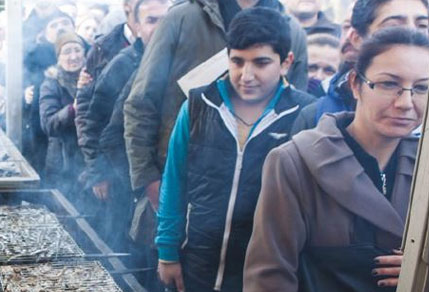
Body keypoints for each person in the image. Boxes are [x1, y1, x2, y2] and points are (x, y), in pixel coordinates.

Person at [239, 28, 429, 292]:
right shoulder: (294, 161)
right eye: (389, 85)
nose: (405, 103)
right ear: (355, 84)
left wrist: (428, 269)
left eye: (421, 88)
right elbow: (270, 273)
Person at [156, 6, 314, 292]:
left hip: (259, 279)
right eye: (237, 61)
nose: (246, 75)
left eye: (261, 62)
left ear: (286, 63)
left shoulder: (305, 116)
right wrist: (167, 252)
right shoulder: (199, 105)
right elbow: (174, 183)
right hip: (193, 267)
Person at [123, 0, 308, 256]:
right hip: (181, 186)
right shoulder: (182, 18)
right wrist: (149, 180)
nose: (247, 74)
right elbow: (141, 103)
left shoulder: (291, 29)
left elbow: (298, 110)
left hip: (260, 208)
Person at [80, 0, 168, 254]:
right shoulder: (123, 63)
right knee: (124, 248)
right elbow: (94, 121)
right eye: (152, 21)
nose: (160, 28)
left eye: (166, 20)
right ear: (137, 26)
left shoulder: (178, 60)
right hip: (121, 176)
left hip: (157, 179)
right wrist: (99, 172)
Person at [289, 0, 429, 134]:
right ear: (357, 39)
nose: (412, 36)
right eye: (394, 27)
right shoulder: (316, 116)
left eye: (422, 26)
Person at [74, 0, 137, 149]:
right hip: (109, 146)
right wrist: (91, 154)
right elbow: (84, 102)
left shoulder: (168, 44)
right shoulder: (102, 47)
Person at [23, 10, 75, 175]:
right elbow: (18, 86)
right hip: (43, 135)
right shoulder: (33, 56)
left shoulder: (88, 52)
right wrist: (24, 95)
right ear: (45, 33)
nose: (60, 28)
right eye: (54, 25)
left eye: (65, 22)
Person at [39, 32, 87, 199]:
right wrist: (72, 109)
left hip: (89, 163)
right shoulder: (51, 84)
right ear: (59, 57)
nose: (73, 56)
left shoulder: (94, 78)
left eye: (77, 50)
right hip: (62, 162)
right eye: (67, 52)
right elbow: (48, 124)